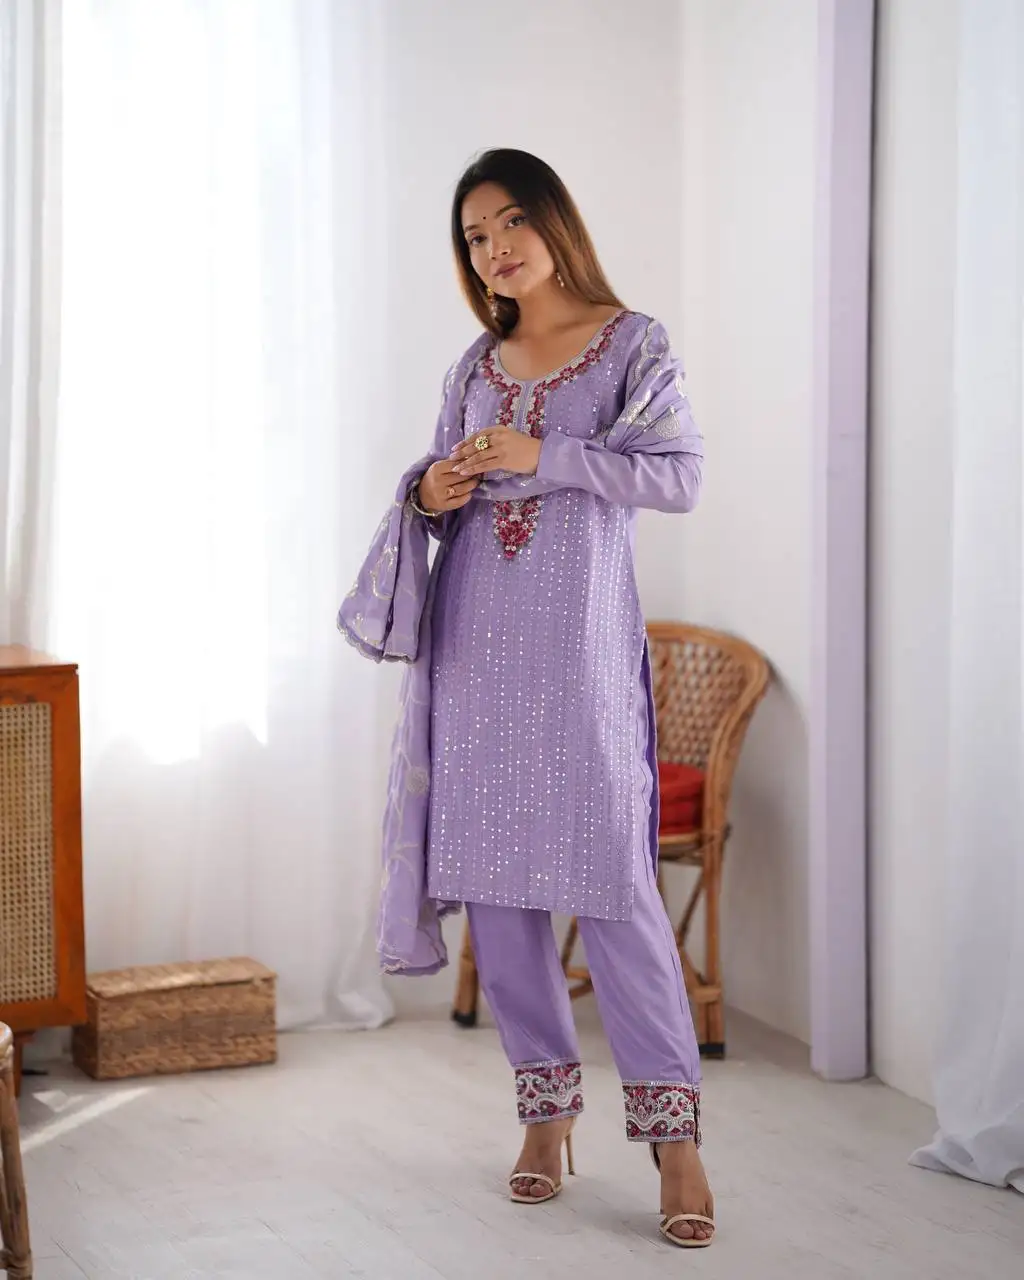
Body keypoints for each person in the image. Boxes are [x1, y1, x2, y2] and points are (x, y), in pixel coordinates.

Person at [339, 148, 713, 1248]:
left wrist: (544, 451)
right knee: (500, 901)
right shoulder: (475, 363)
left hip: (578, 660)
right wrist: (432, 487)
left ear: (555, 221)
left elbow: (678, 475)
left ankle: (676, 1143)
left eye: (510, 222)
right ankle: (545, 1120)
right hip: (476, 656)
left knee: (616, 895)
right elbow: (436, 490)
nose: (494, 248)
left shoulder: (632, 344)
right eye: (474, 236)